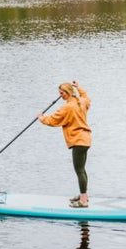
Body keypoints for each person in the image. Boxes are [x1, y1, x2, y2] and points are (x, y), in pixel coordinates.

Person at [38, 80, 92, 208]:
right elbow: (86, 97)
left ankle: (83, 201)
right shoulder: (81, 102)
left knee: (79, 170)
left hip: (78, 141)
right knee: (82, 169)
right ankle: (84, 195)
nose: (60, 95)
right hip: (86, 140)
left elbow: (53, 120)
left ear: (67, 93)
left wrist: (42, 118)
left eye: (61, 93)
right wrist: (79, 87)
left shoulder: (67, 107)